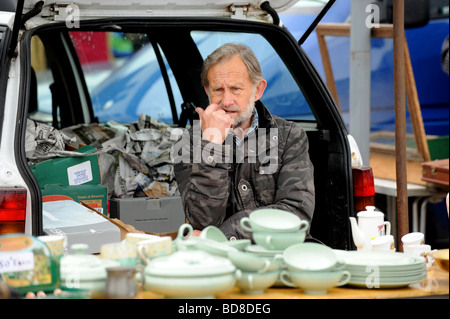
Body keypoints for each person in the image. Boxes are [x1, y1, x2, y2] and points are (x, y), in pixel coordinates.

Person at [173, 43, 315, 240]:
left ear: (257, 90)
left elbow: (295, 214)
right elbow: (202, 221)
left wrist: (226, 235)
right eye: (218, 90)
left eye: (235, 89)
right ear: (207, 91)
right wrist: (212, 146)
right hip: (217, 259)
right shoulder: (187, 143)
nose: (227, 100)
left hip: (280, 253)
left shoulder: (290, 137)